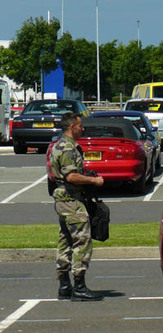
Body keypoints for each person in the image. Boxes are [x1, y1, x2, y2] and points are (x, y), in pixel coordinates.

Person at [49, 113, 104, 301]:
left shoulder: (59, 145)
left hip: (64, 200)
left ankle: (64, 285)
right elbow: (71, 176)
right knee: (82, 240)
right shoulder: (67, 148)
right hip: (71, 200)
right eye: (80, 126)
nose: (83, 129)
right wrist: (93, 180)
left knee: (65, 240)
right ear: (72, 127)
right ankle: (79, 285)